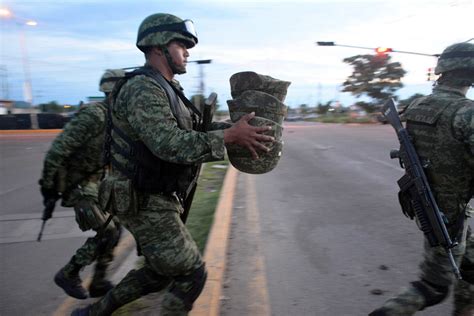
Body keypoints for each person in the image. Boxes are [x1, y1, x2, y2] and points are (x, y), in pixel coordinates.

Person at [71, 13, 274, 316]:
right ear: (158, 48)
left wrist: (235, 128)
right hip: (142, 196)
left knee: (159, 271)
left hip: (154, 192)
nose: (188, 52)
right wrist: (230, 137)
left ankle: (93, 312)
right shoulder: (143, 88)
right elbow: (169, 145)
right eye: (182, 45)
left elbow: (192, 131)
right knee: (192, 274)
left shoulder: (168, 88)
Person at [369, 42, 474, 315]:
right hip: (450, 212)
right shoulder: (466, 112)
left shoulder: (417, 105)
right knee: (433, 288)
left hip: (429, 201)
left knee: (471, 270)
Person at [39, 69, 126, 299]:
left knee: (117, 228)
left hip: (97, 182)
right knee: (107, 231)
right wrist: (47, 187)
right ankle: (68, 273)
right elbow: (58, 151)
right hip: (79, 184)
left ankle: (98, 281)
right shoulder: (94, 116)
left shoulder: (117, 116)